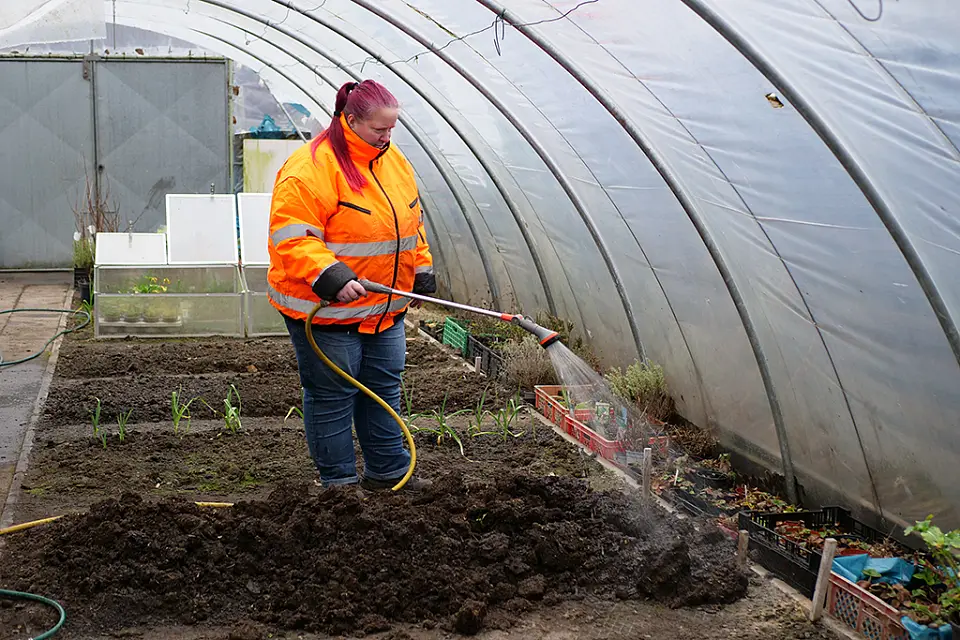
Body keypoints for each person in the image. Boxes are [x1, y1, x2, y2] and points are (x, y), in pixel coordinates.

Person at [266, 80, 436, 491]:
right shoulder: (310, 169)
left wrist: (421, 268)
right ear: (351, 120)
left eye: (392, 128)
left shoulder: (393, 161)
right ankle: (339, 486)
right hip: (327, 310)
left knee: (382, 387)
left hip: (384, 308)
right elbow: (293, 238)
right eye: (379, 129)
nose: (387, 137)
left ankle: (388, 472)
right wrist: (332, 276)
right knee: (333, 395)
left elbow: (410, 222)